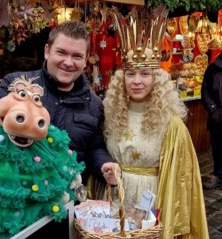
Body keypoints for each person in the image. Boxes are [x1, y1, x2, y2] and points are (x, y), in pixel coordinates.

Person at [0, 20, 119, 238]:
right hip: (12, 202)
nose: (69, 62)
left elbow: (94, 148)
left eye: (77, 56)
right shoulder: (16, 85)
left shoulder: (94, 104)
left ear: (86, 59)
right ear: (47, 51)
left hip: (63, 206)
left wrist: (105, 164)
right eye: (62, 52)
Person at [95, 6, 209, 239]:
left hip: (152, 201)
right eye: (130, 74)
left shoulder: (172, 123)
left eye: (145, 74)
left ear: (156, 78)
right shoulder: (111, 113)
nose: (137, 81)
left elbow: (183, 180)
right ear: (121, 78)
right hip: (115, 199)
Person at [201, 52, 222, 189]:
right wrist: (213, 109)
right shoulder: (213, 69)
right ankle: (219, 175)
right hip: (218, 117)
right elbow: (205, 90)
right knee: (218, 147)